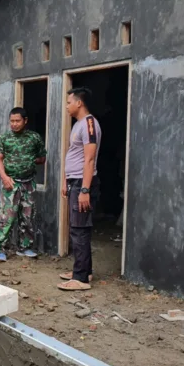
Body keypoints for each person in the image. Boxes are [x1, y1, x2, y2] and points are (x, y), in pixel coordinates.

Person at [58, 87, 102, 291]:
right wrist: (66, 181)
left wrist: (85, 190)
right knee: (78, 227)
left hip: (83, 184)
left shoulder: (90, 125)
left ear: (79, 103)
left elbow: (89, 159)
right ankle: (84, 271)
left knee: (79, 229)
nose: (67, 106)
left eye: (69, 102)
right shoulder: (78, 125)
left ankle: (81, 279)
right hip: (74, 182)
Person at [0, 107, 46, 262]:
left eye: (17, 121)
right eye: (12, 121)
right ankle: (1, 249)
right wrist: (4, 177)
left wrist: (29, 161)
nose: (14, 124)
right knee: (6, 217)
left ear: (25, 121)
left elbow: (42, 158)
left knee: (28, 216)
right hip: (11, 182)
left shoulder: (34, 138)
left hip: (28, 183)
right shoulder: (4, 138)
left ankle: (25, 247)